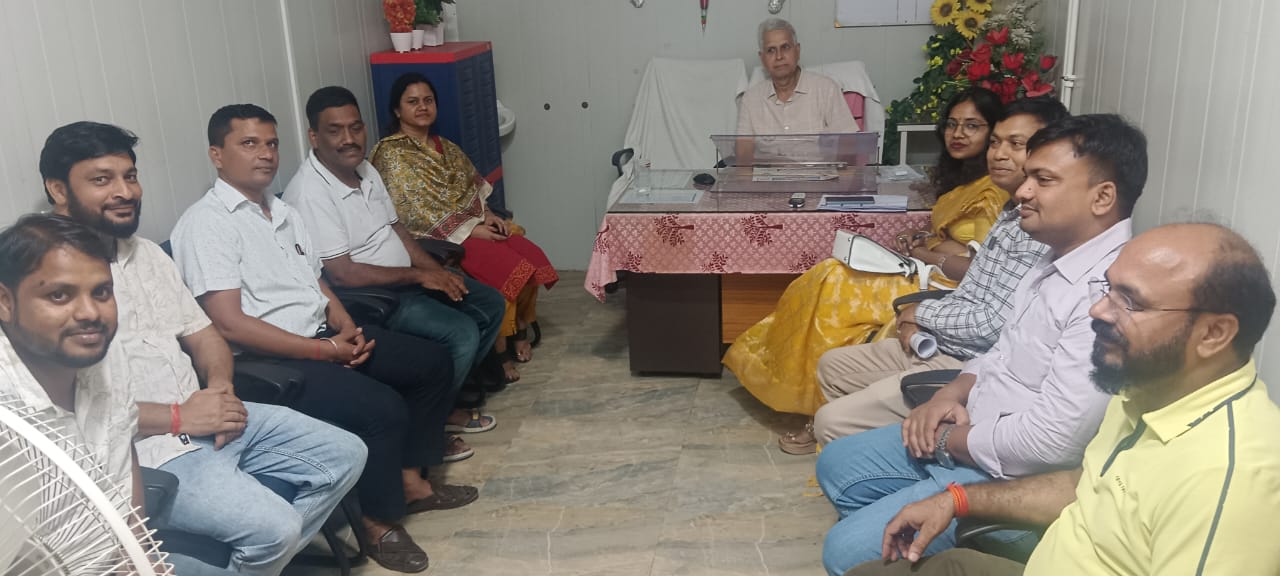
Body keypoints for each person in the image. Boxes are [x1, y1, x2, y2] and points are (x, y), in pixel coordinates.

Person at [848, 223, 1280, 576]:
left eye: (1131, 302)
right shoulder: (1149, 391)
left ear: (1214, 333)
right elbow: (1082, 486)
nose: (1098, 311)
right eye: (1108, 290)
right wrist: (957, 500)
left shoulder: (1229, 478)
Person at [816, 113, 1146, 575]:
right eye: (1028, 177)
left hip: (1010, 474)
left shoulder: (1105, 293)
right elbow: (999, 350)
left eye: (1043, 180)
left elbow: (1052, 443)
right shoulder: (1054, 255)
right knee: (836, 464)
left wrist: (948, 441)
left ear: (1102, 197)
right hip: (972, 431)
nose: (1023, 191)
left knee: (843, 551)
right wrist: (949, 395)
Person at [39, 121, 367, 576]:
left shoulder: (146, 254)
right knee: (275, 529)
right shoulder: (41, 281)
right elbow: (61, 411)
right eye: (101, 179)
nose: (124, 191)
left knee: (346, 453)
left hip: (206, 417)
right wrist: (179, 417)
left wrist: (221, 390)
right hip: (147, 453)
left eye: (130, 176)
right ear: (58, 189)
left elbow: (206, 334)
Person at [171, 104, 473, 573]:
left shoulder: (283, 212)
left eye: (271, 143)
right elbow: (228, 324)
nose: (265, 154)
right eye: (249, 144)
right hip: (270, 361)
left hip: (321, 338)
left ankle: (410, 482)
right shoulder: (206, 224)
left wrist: (346, 326)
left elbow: (316, 282)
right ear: (217, 155)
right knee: (380, 408)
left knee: (430, 363)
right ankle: (377, 524)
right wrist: (325, 350)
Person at [723, 88, 1008, 448]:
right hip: (932, 271)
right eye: (952, 124)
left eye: (972, 126)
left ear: (993, 134)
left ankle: (822, 414)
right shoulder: (966, 178)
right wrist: (925, 238)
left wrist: (927, 251)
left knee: (836, 287)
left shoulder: (992, 192)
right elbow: (954, 238)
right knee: (829, 276)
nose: (958, 134)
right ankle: (814, 398)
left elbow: (978, 267)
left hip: (948, 288)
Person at [812, 98, 1068, 446]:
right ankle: (867, 451)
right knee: (831, 365)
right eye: (996, 142)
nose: (999, 154)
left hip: (968, 360)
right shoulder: (1011, 212)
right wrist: (920, 319)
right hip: (943, 338)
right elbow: (972, 291)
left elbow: (994, 325)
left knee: (830, 421)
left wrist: (922, 313)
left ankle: (886, 455)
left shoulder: (1039, 226)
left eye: (1016, 144)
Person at [284, 86, 505, 440]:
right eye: (335, 130)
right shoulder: (311, 193)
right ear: (314, 136)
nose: (348, 139)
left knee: (490, 304)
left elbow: (397, 229)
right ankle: (427, 427)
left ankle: (438, 403)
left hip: (407, 281)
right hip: (373, 297)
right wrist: (419, 277)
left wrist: (434, 272)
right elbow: (342, 273)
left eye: (356, 127)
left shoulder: (365, 169)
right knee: (461, 332)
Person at [370, 73, 558, 379]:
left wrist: (488, 216)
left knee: (530, 255)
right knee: (511, 268)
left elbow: (472, 191)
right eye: (413, 102)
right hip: (438, 240)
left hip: (472, 227)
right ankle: (499, 355)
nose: (422, 107)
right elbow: (415, 213)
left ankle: (519, 329)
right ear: (397, 110)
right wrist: (471, 230)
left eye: (428, 100)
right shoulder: (391, 154)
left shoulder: (445, 146)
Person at [737, 18, 859, 135]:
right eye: (771, 50)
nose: (779, 56)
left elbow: (849, 143)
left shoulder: (827, 90)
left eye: (785, 47)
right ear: (762, 58)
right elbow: (744, 148)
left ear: (797, 51)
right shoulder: (750, 100)